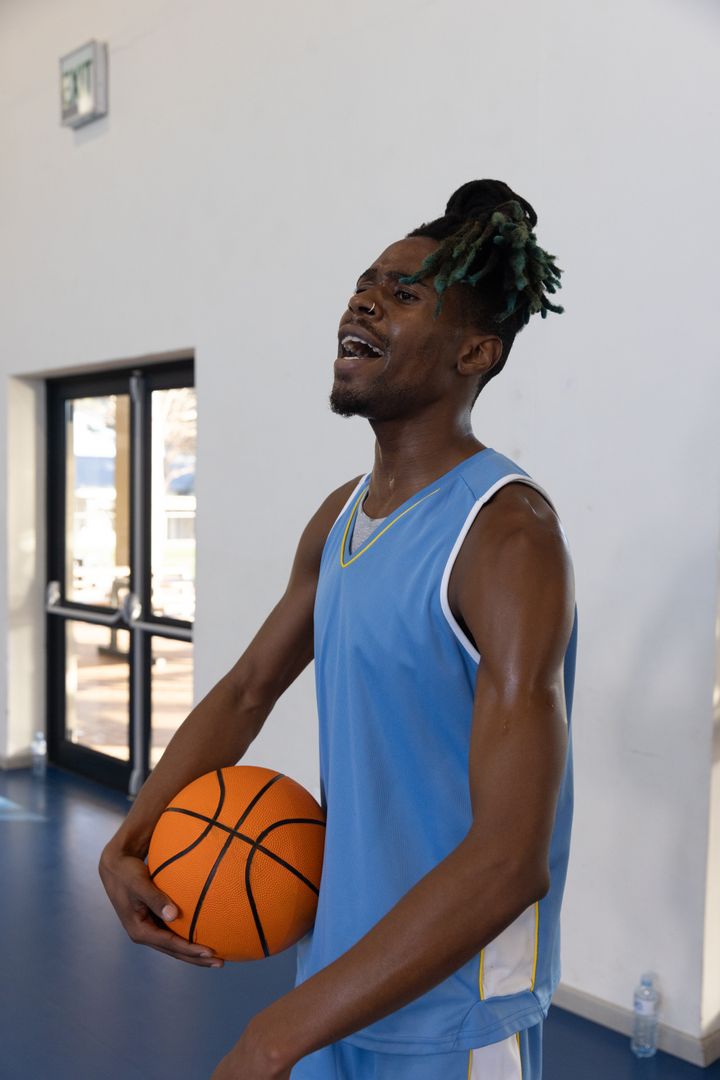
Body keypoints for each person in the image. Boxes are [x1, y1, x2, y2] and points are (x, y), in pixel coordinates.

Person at [99, 179, 577, 1080]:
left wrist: (272, 1034)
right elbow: (246, 691)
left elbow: (511, 860)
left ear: (477, 349)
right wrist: (134, 833)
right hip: (337, 970)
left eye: (405, 293)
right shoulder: (340, 518)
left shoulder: (508, 533)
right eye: (366, 282)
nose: (364, 300)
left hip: (455, 1009)